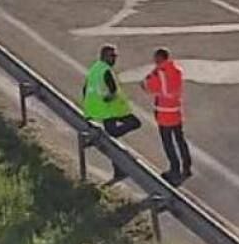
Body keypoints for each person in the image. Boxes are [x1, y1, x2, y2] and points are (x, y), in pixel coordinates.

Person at [81, 44, 140, 182]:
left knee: (113, 140)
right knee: (134, 123)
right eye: (112, 56)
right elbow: (113, 92)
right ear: (104, 56)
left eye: (115, 56)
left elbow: (86, 89)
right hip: (110, 110)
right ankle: (114, 145)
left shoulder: (94, 69)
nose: (114, 59)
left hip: (98, 110)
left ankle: (118, 170)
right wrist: (110, 100)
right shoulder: (105, 71)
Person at [142, 48, 192, 185]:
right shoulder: (177, 71)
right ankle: (187, 166)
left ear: (159, 58)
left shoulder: (158, 73)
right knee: (180, 140)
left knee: (168, 143)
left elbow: (149, 87)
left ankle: (174, 169)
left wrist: (148, 79)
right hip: (176, 111)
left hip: (164, 113)